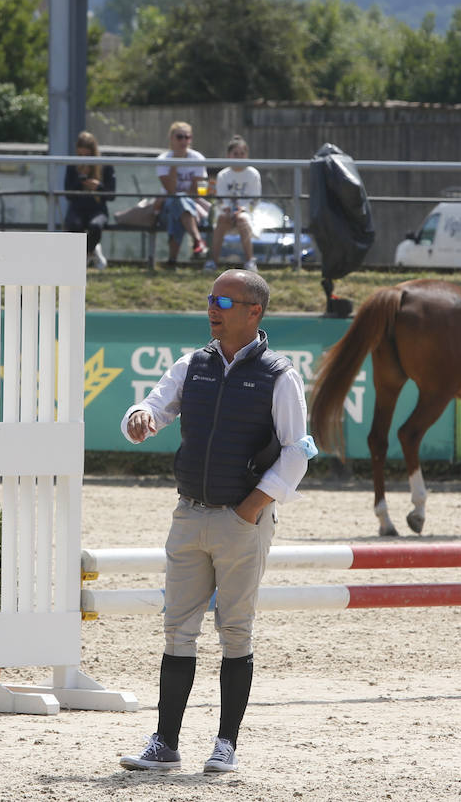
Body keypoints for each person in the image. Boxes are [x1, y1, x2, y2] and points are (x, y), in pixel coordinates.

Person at [118, 269, 316, 775]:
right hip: (189, 514)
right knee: (176, 632)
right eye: (211, 298)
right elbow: (153, 405)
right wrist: (138, 417)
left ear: (255, 312)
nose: (213, 307)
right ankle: (165, 743)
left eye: (224, 301)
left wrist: (254, 505)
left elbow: (299, 450)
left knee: (235, 632)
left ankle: (225, 743)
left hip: (242, 521)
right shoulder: (192, 364)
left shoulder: (280, 374)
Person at [155, 121, 209, 265]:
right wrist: (175, 163)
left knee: (178, 210)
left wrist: (184, 194)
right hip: (165, 208)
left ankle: (172, 260)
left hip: (191, 206)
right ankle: (198, 241)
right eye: (180, 137)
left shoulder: (197, 158)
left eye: (188, 137)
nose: (184, 141)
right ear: (171, 138)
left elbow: (199, 190)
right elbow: (171, 190)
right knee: (177, 201)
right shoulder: (163, 160)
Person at [205, 135, 261, 273]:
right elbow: (220, 199)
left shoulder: (253, 174)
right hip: (226, 212)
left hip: (246, 213)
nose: (239, 157)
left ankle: (250, 261)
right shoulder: (223, 175)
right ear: (228, 155)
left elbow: (255, 199)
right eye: (235, 154)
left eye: (242, 154)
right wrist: (228, 209)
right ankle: (213, 261)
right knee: (222, 219)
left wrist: (243, 209)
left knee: (242, 220)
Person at [63, 131, 116, 269]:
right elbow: (68, 194)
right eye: (80, 155)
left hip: (97, 210)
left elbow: (111, 196)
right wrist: (80, 182)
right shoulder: (72, 166)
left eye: (88, 156)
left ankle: (87, 254)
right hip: (77, 208)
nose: (84, 159)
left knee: (95, 226)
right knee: (74, 225)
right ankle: (87, 256)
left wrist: (99, 187)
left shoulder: (105, 166)